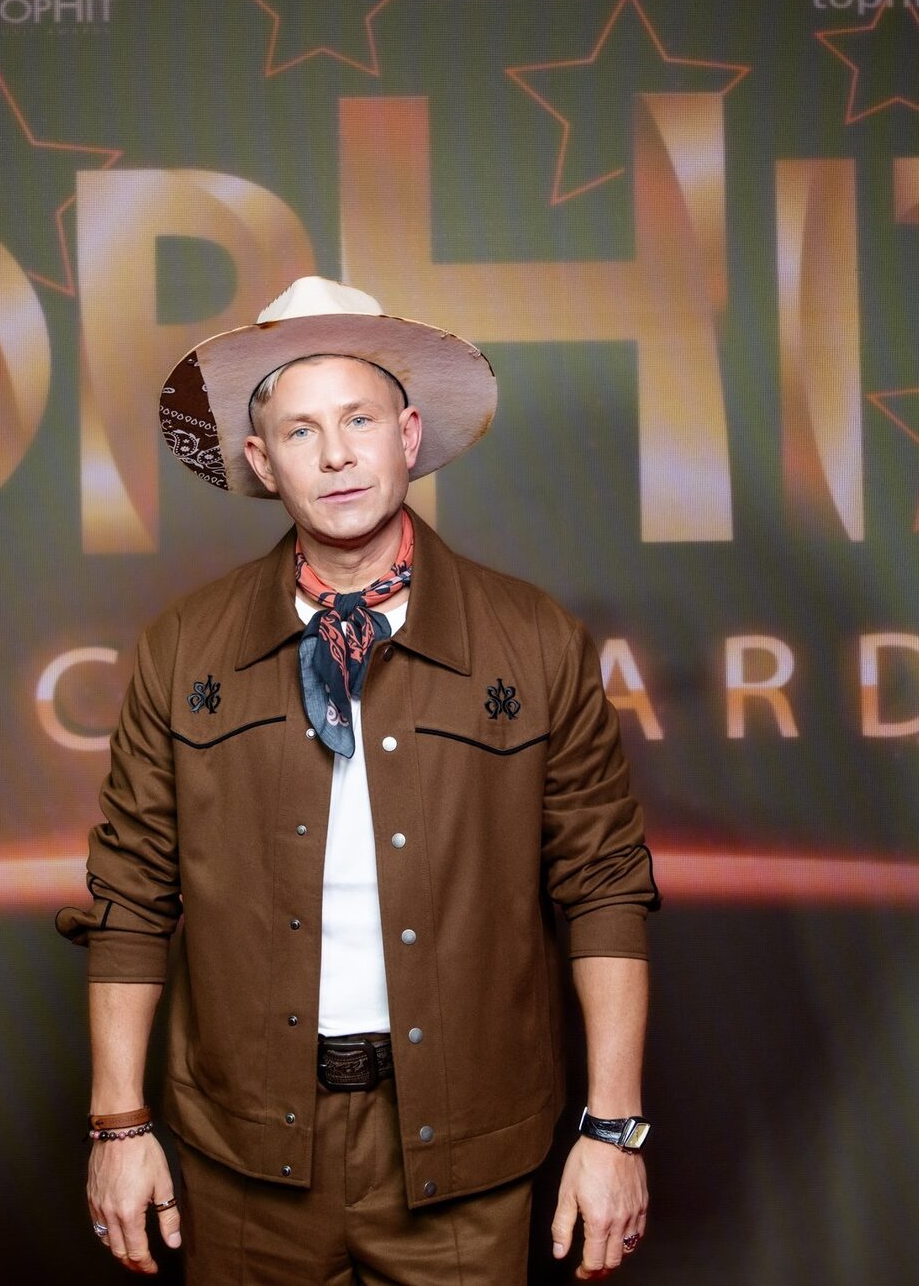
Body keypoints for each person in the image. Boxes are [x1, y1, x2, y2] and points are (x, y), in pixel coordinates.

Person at [57, 277, 659, 1282]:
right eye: (300, 431)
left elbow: (603, 886)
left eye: (359, 420)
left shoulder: (534, 640)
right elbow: (131, 895)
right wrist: (119, 1126)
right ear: (262, 461)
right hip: (246, 1158)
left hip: (465, 1157)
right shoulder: (183, 650)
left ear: (408, 435)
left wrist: (614, 1129)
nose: (335, 454)